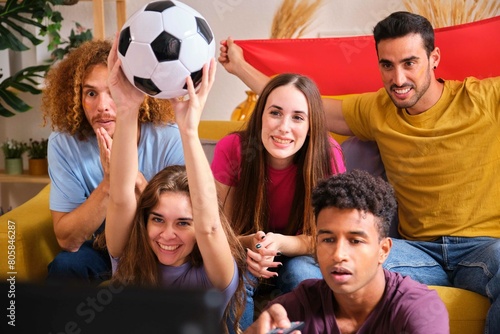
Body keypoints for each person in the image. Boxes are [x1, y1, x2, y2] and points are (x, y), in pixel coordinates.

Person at [219, 11, 500, 333]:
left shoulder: (487, 98)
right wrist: (240, 68)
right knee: (306, 268)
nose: (398, 79)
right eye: (387, 65)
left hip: (486, 247)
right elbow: (305, 103)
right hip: (416, 251)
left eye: (410, 63)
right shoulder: (377, 109)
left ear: (434, 58)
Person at [104, 37, 246, 334]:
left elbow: (209, 226)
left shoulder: (215, 276)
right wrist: (127, 109)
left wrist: (189, 129)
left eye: (183, 223)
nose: (167, 234)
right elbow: (119, 197)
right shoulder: (129, 256)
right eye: (157, 219)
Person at [41, 40, 184, 284]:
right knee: (65, 267)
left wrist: (130, 179)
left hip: (157, 243)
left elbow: (185, 217)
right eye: (91, 94)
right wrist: (109, 184)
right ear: (76, 98)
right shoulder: (63, 144)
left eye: (112, 92)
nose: (102, 107)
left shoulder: (168, 136)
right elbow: (67, 239)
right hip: (99, 246)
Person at [211, 73, 346, 329]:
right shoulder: (233, 149)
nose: (284, 127)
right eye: (275, 113)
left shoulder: (328, 156)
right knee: (234, 276)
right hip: (246, 251)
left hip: (303, 251)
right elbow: (221, 234)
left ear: (311, 124)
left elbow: (332, 237)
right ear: (261, 115)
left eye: (297, 117)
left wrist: (281, 242)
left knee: (302, 275)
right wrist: (253, 244)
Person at [252, 170, 449, 334]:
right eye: (328, 239)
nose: (338, 254)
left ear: (383, 250)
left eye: (355, 241)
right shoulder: (300, 305)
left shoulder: (420, 310)